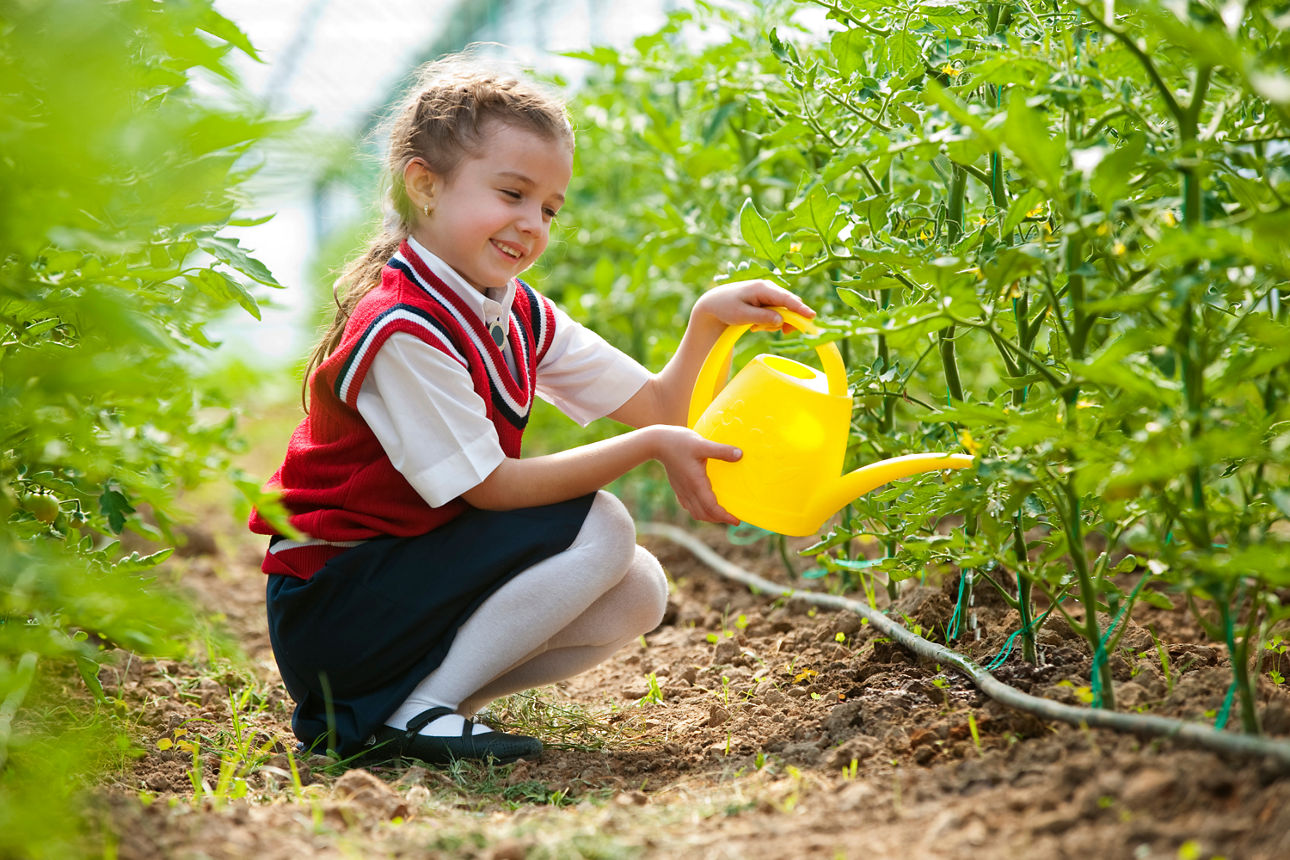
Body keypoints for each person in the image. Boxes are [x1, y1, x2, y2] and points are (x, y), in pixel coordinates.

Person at [248, 53, 814, 767]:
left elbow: (661, 405)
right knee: (601, 522)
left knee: (639, 589)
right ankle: (417, 714)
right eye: (512, 193)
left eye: (548, 208)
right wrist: (650, 448)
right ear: (425, 185)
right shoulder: (401, 328)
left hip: (398, 585)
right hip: (335, 608)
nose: (531, 224)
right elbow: (489, 487)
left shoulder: (514, 312)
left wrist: (709, 323)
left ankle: (422, 707)